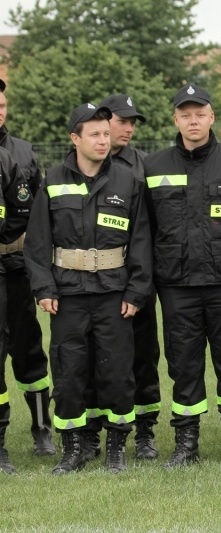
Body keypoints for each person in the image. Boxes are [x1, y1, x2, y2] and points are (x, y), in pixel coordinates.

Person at [24, 103, 152, 474]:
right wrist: (44, 288)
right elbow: (37, 243)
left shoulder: (127, 181)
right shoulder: (52, 181)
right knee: (69, 373)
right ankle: (73, 448)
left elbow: (141, 240)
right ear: (74, 139)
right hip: (67, 296)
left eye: (105, 133)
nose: (103, 140)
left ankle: (116, 448)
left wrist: (136, 292)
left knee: (116, 373)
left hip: (114, 294)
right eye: (94, 134)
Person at [144, 84, 221, 467]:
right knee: (183, 365)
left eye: (200, 113)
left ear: (212, 117)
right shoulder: (154, 167)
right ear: (175, 119)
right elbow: (146, 229)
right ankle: (186, 442)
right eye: (185, 114)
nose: (193, 120)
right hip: (176, 286)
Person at [76, 93, 162, 461]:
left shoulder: (145, 165)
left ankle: (144, 431)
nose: (127, 128)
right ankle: (92, 432)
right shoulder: (84, 165)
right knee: (94, 357)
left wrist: (140, 283)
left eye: (132, 123)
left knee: (143, 355)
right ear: (103, 123)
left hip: (135, 280)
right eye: (122, 121)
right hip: (94, 286)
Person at [0, 78, 56, 470]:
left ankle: (42, 429)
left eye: (2, 105)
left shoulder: (23, 151)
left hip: (18, 268)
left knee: (30, 353)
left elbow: (39, 212)